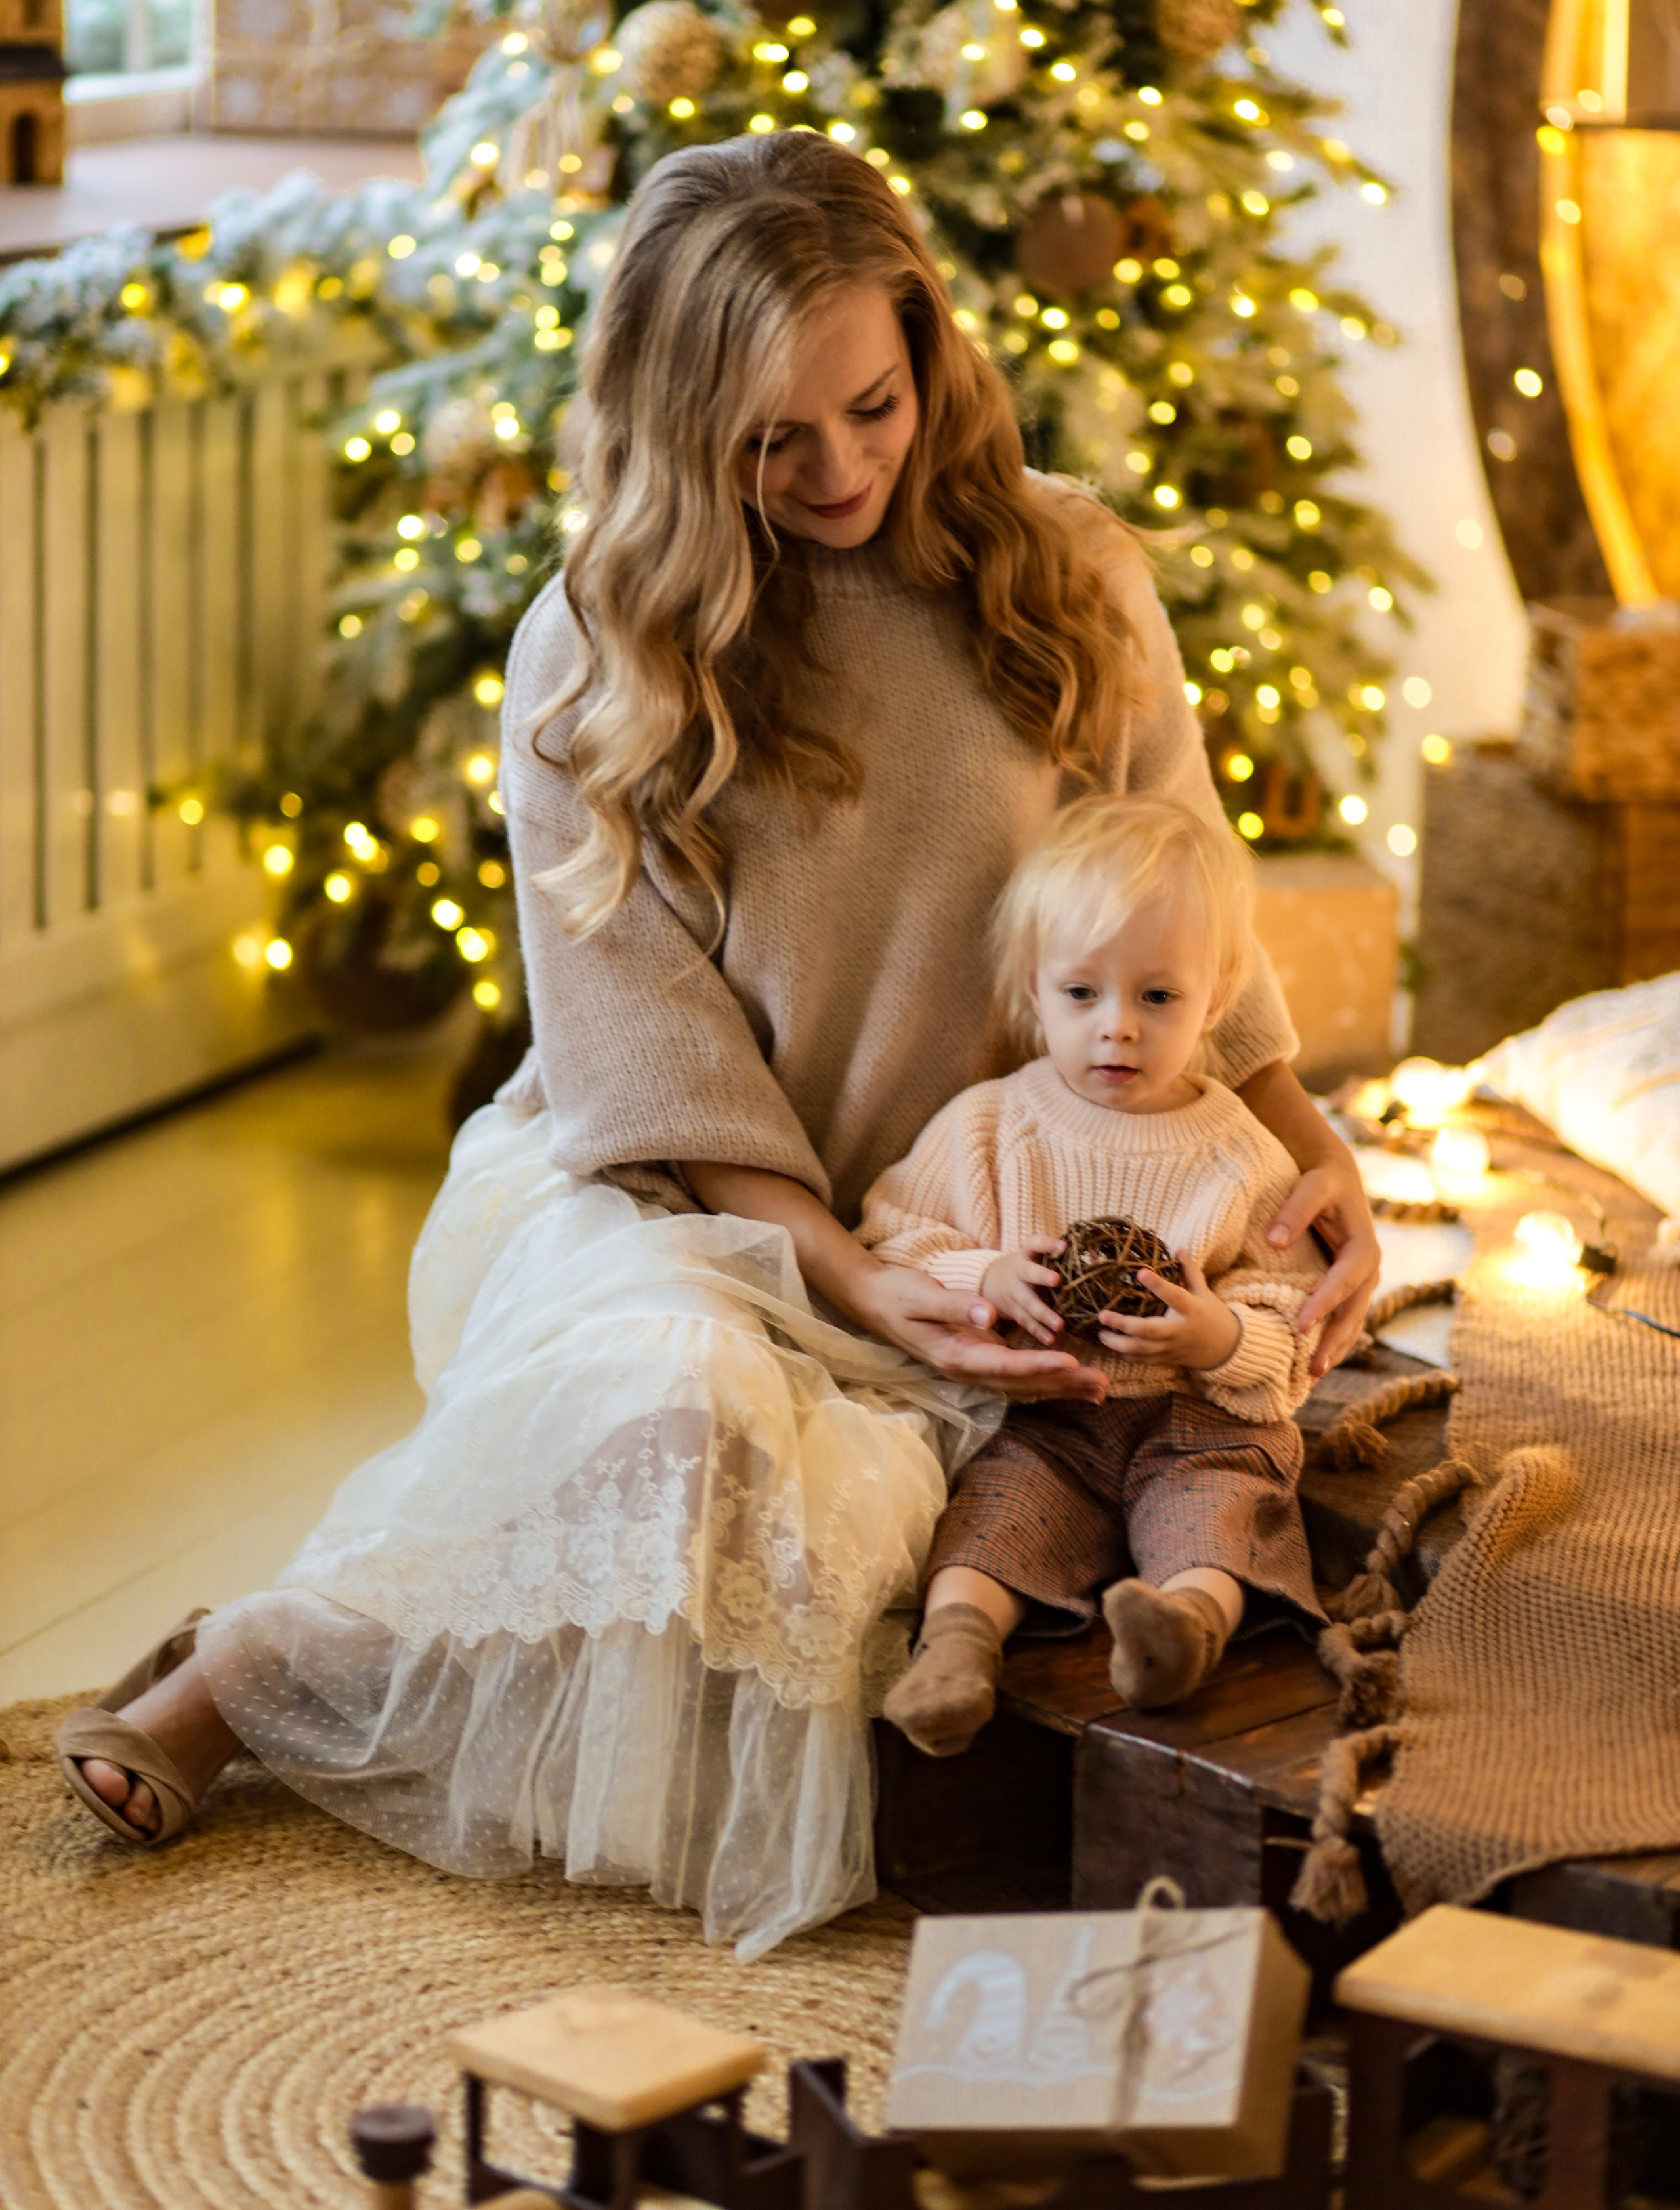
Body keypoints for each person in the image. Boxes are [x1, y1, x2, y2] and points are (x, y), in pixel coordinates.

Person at [54, 131, 1379, 1959]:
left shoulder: (1071, 575)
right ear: (678, 428)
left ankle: (293, 1647)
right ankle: (258, 1659)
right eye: (772, 438)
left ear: (929, 358)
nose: (838, 470)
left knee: (838, 1562)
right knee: (678, 1417)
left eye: (874, 404)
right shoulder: (592, 655)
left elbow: (1179, 904)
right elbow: (643, 1045)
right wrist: (834, 1270)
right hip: (681, 1193)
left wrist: (1316, 1158)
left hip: (986, 1213)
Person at [864, 791, 1322, 1762]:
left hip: (1196, 1421)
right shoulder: (991, 1128)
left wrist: (1221, 1337)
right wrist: (983, 1270)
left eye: (1157, 998)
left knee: (1224, 1508)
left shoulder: (1239, 1153)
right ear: (1034, 990)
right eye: (1084, 995)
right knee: (992, 1510)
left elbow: (1296, 1314)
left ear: (1220, 994)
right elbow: (891, 1239)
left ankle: (1181, 1632)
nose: (1118, 1029)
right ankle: (955, 1647)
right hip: (1051, 1419)